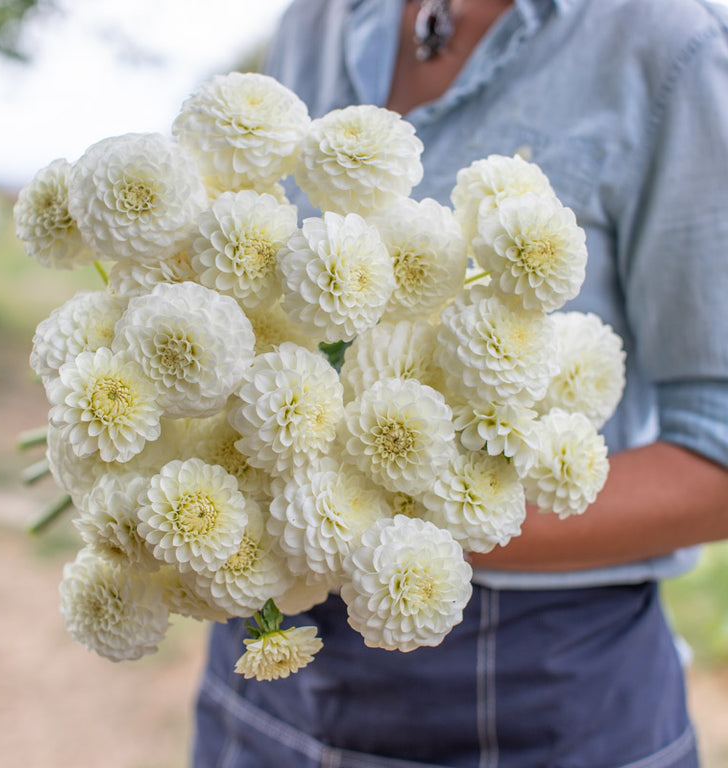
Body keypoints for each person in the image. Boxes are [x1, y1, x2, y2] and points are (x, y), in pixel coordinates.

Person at [192, 1, 728, 766]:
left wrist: (395, 526)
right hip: (273, 664)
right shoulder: (317, 19)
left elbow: (718, 459)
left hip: (538, 683)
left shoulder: (670, 45)